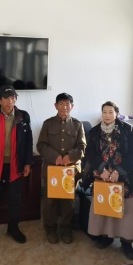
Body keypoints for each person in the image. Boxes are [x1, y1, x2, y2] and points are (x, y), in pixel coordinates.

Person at [83, 101, 133, 259]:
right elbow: (90, 153)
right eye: (104, 112)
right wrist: (102, 170)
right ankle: (106, 237)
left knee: (127, 210)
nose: (107, 115)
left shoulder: (127, 130)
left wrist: (117, 171)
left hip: (123, 177)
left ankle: (126, 242)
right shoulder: (94, 131)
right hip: (102, 176)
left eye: (110, 112)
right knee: (104, 206)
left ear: (116, 113)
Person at [0, 85, 33, 244]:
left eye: (14, 97)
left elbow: (28, 141)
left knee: (15, 199)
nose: (11, 101)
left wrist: (28, 163)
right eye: (8, 98)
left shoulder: (23, 116)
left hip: (16, 165)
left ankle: (13, 227)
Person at [36, 93, 86, 244]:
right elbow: (41, 145)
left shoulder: (77, 125)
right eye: (61, 104)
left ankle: (65, 229)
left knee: (68, 202)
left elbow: (82, 147)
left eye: (67, 104)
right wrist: (55, 157)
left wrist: (70, 157)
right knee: (49, 202)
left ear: (72, 106)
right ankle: (50, 229)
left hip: (69, 171)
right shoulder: (48, 124)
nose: (64, 107)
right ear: (55, 106)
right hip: (52, 169)